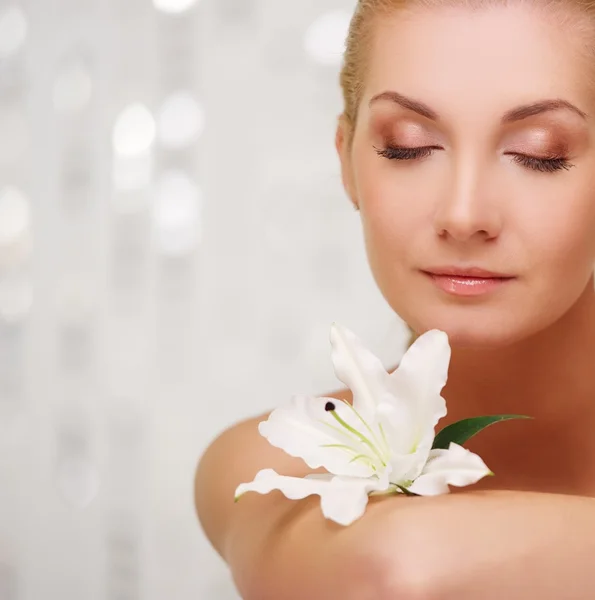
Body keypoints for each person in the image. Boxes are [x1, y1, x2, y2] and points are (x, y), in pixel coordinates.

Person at [195, 0, 595, 598]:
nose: (464, 215)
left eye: (539, 153)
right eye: (408, 147)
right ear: (347, 163)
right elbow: (393, 572)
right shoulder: (268, 463)